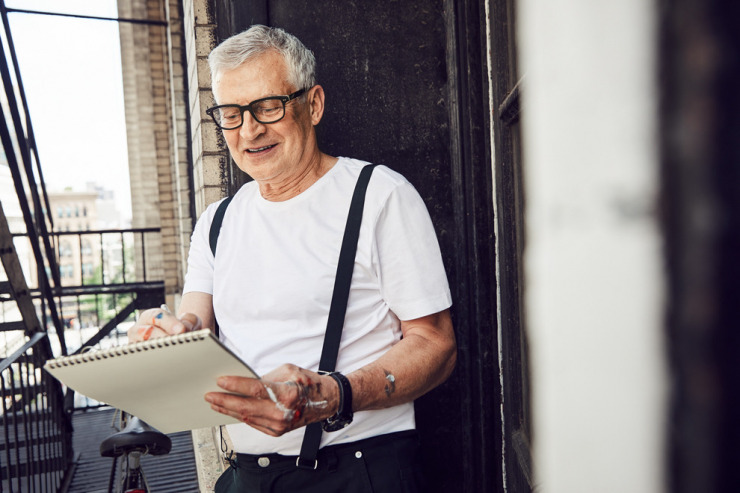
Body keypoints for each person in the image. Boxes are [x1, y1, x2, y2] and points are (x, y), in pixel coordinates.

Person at [129, 24, 456, 492]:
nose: (250, 130)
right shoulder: (217, 221)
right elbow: (194, 327)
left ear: (314, 104)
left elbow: (436, 346)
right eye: (231, 113)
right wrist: (167, 337)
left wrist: (332, 395)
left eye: (268, 106)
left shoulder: (379, 196)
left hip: (361, 470)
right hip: (246, 475)